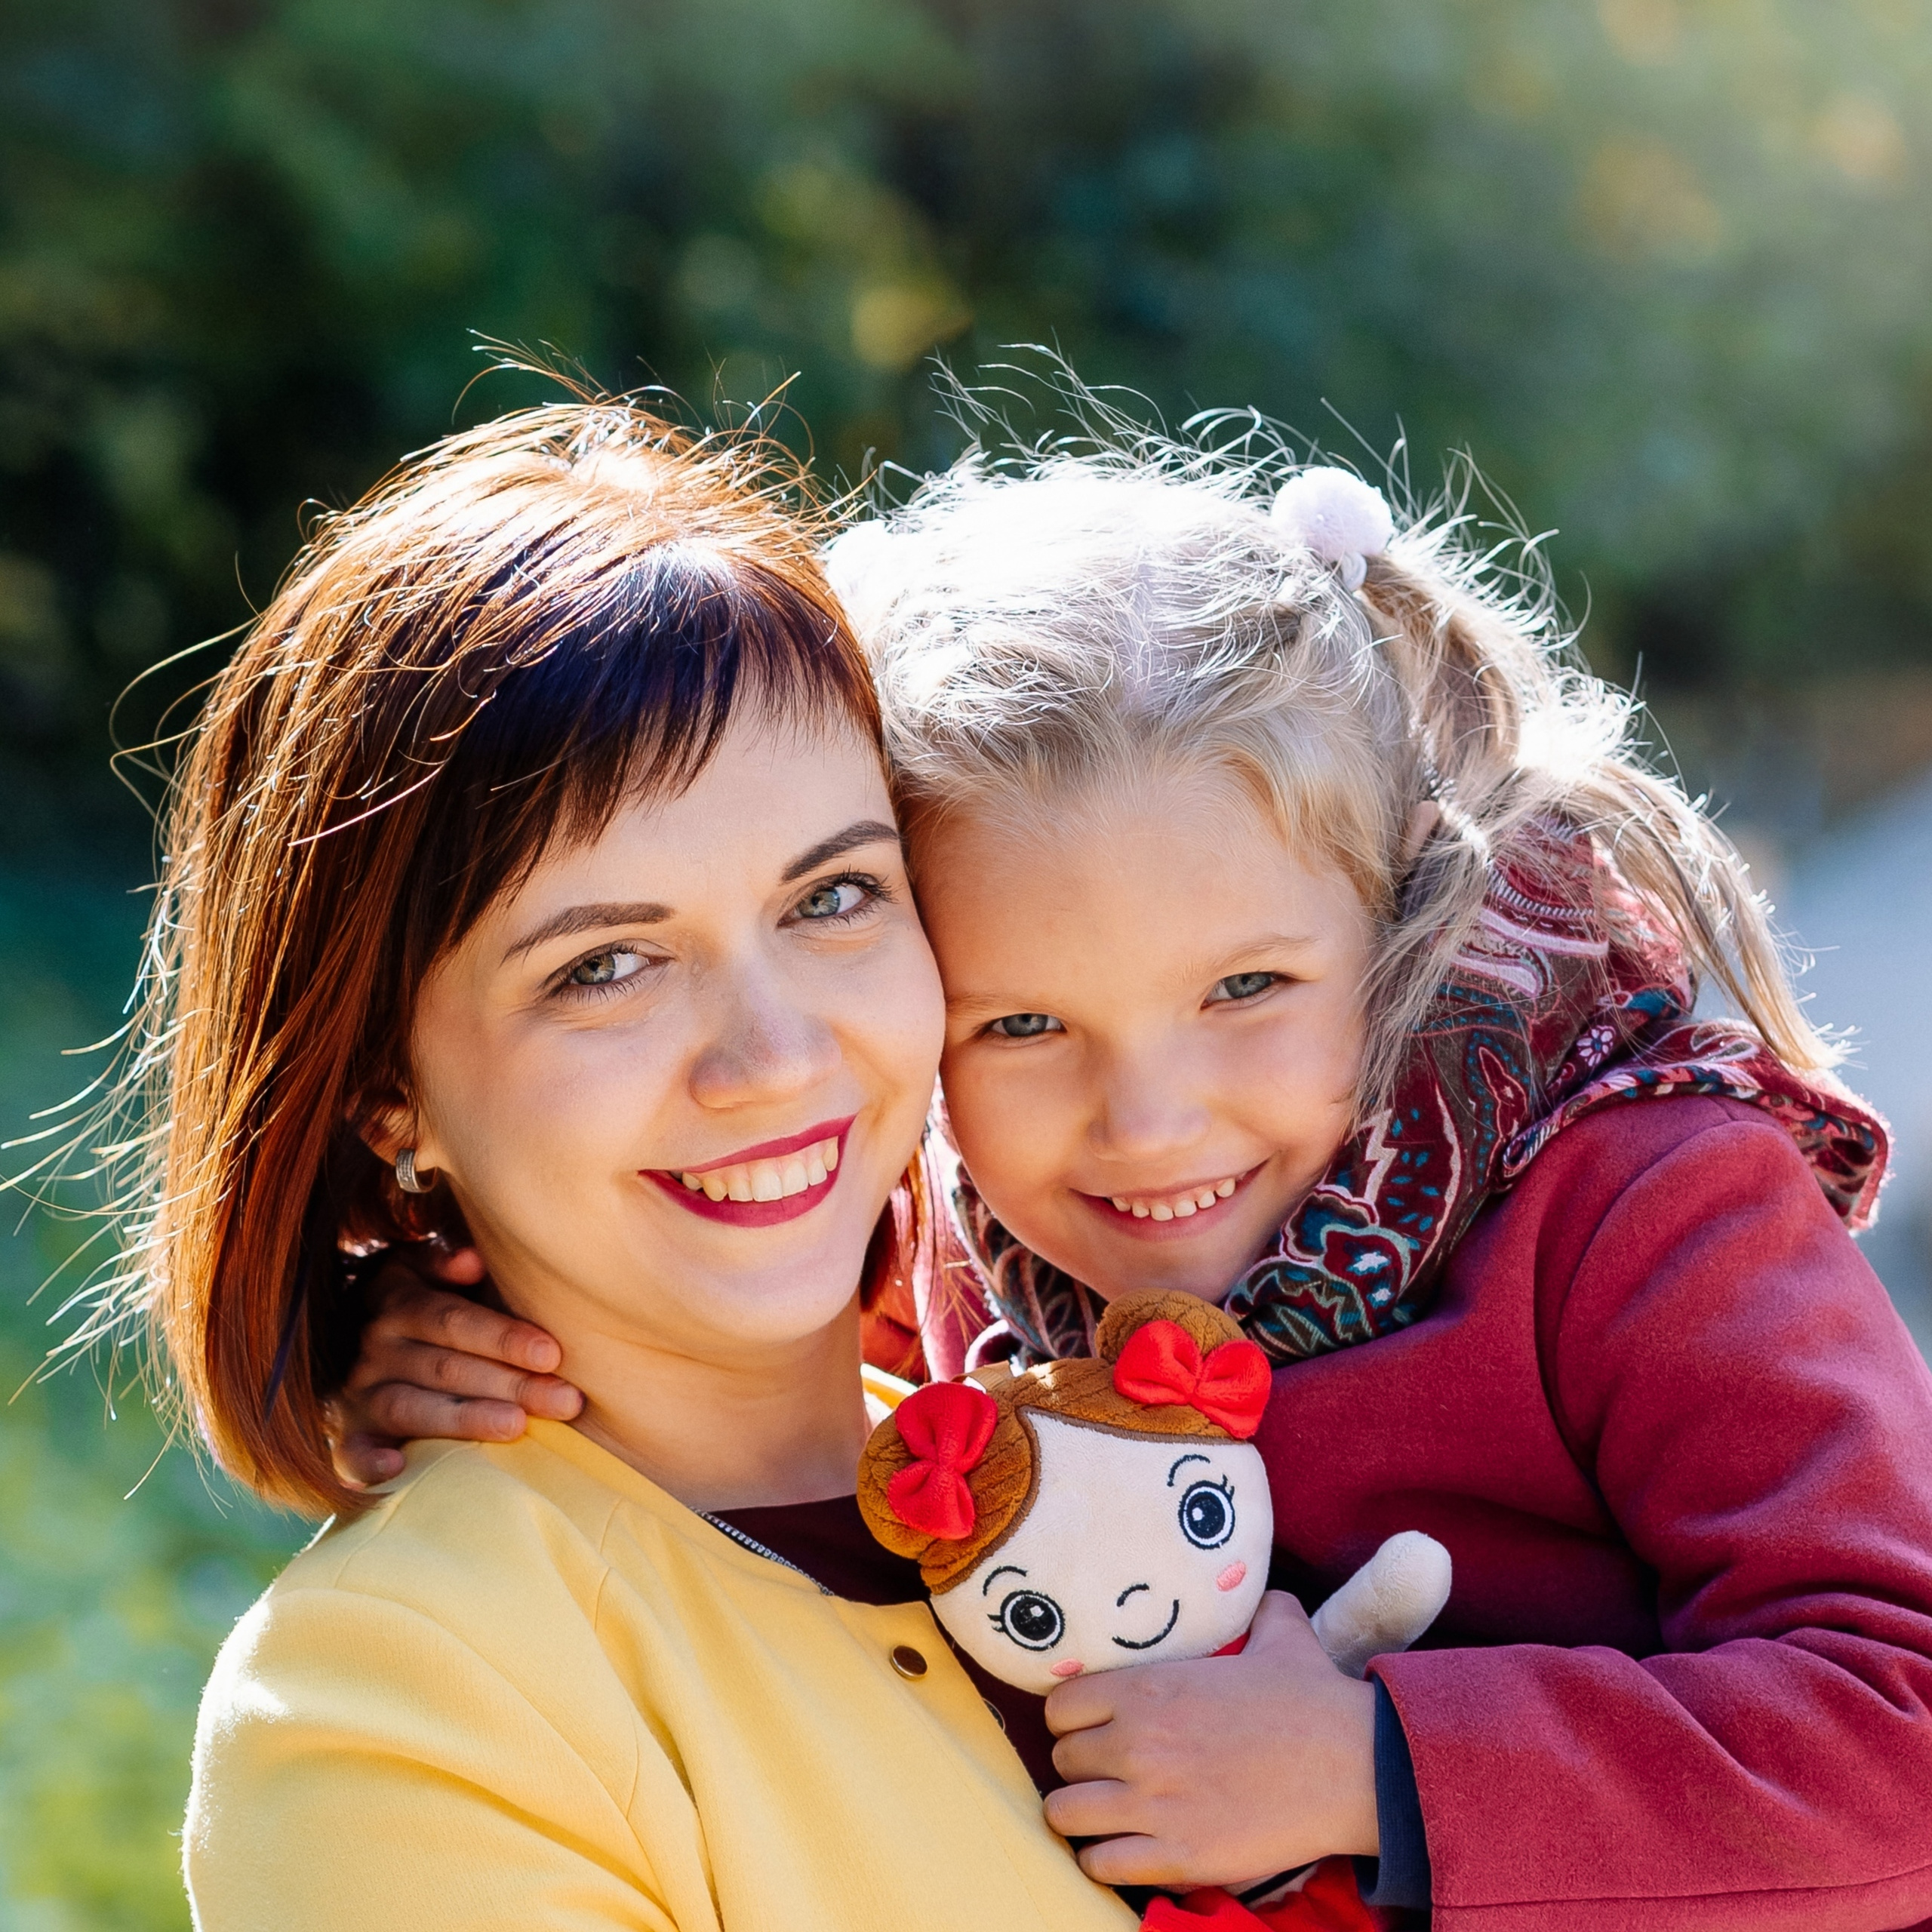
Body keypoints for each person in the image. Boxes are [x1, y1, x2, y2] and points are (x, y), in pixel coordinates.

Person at [343, 412, 1932, 1930]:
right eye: (1024, 1020)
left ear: (1392, 920)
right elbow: (748, 1396)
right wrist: (457, 1341)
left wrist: (1371, 1765)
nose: (1148, 1122)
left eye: (1244, 990)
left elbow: (1901, 1724)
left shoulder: (1636, 1201)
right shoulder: (975, 1247)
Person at [129, 397, 1146, 1930]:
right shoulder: (399, 1702)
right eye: (605, 964)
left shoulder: (1110, 1457)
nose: (778, 1054)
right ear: (382, 1092)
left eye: (834, 896)